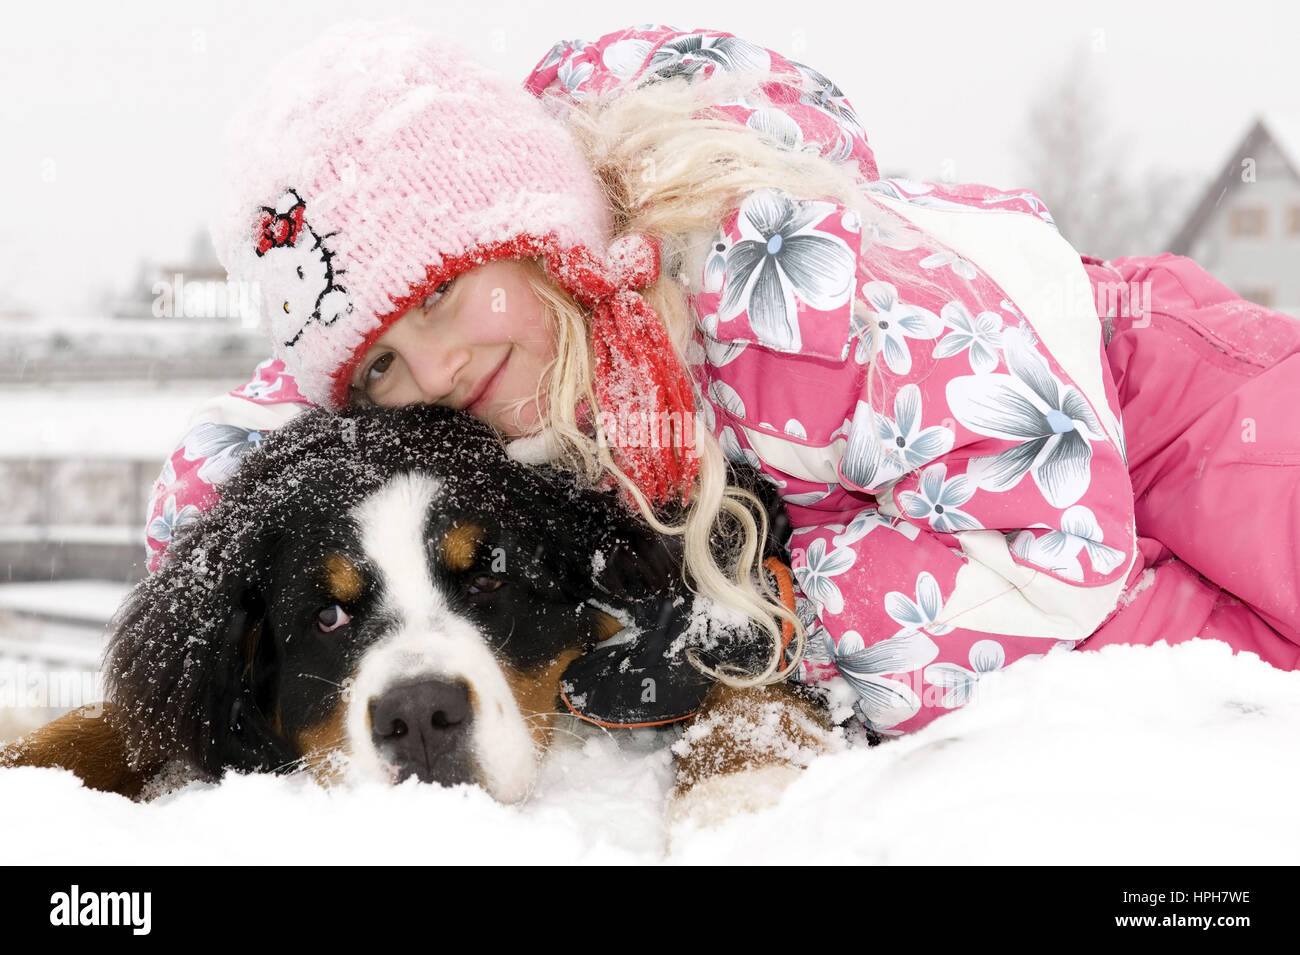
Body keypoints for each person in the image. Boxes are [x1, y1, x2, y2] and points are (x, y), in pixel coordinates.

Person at [145, 22, 1300, 741]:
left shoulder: (777, 287)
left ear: (542, 236)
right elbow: (239, 477)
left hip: (1166, 404)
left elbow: (1051, 545)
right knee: (1211, 699)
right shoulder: (485, 382)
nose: (435, 367)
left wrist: (748, 622)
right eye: (383, 358)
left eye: (445, 294)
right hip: (981, 534)